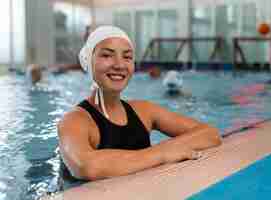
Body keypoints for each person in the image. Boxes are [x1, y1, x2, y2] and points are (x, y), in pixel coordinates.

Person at [57, 25, 222, 182]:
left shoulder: (144, 111)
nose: (119, 65)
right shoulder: (75, 121)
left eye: (127, 57)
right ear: (88, 60)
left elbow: (211, 134)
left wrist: (168, 149)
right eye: (107, 55)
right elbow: (85, 166)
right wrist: (162, 153)